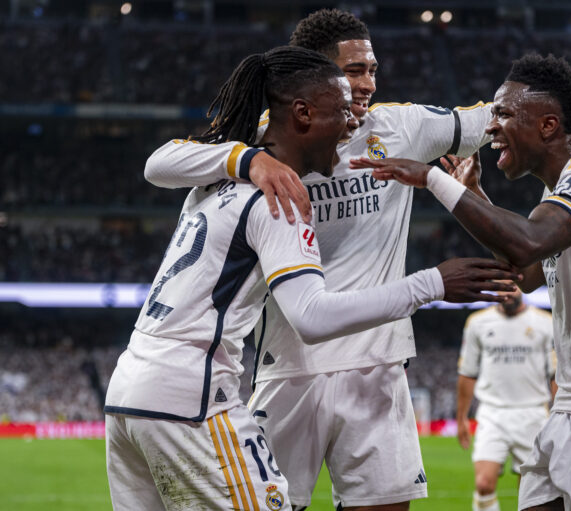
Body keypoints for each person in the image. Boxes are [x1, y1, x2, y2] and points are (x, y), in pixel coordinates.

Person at [143, 9, 571, 510]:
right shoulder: (273, 135)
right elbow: (163, 161)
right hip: (290, 367)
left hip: (378, 366)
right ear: (316, 82)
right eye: (353, 72)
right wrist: (249, 158)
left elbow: (505, 116)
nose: (367, 83)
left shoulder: (403, 126)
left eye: (372, 69)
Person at [104, 46, 516, 511]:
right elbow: (313, 316)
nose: (350, 124)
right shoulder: (280, 198)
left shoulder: (213, 173)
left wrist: (245, 159)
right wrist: (433, 284)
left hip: (127, 395)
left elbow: (163, 162)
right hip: (191, 398)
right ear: (302, 114)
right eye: (340, 111)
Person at [350, 53, 571, 511]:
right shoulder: (558, 192)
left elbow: (528, 243)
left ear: (548, 126)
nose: (491, 126)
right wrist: (472, 194)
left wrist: (432, 178)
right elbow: (525, 275)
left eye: (504, 113)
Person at [456, 284, 556, 511]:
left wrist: (558, 413)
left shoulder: (545, 322)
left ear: (522, 287)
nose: (506, 293)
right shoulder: (477, 322)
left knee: (531, 492)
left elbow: (555, 374)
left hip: (533, 413)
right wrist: (461, 416)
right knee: (483, 484)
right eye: (500, 289)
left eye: (511, 287)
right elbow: (467, 372)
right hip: (492, 412)